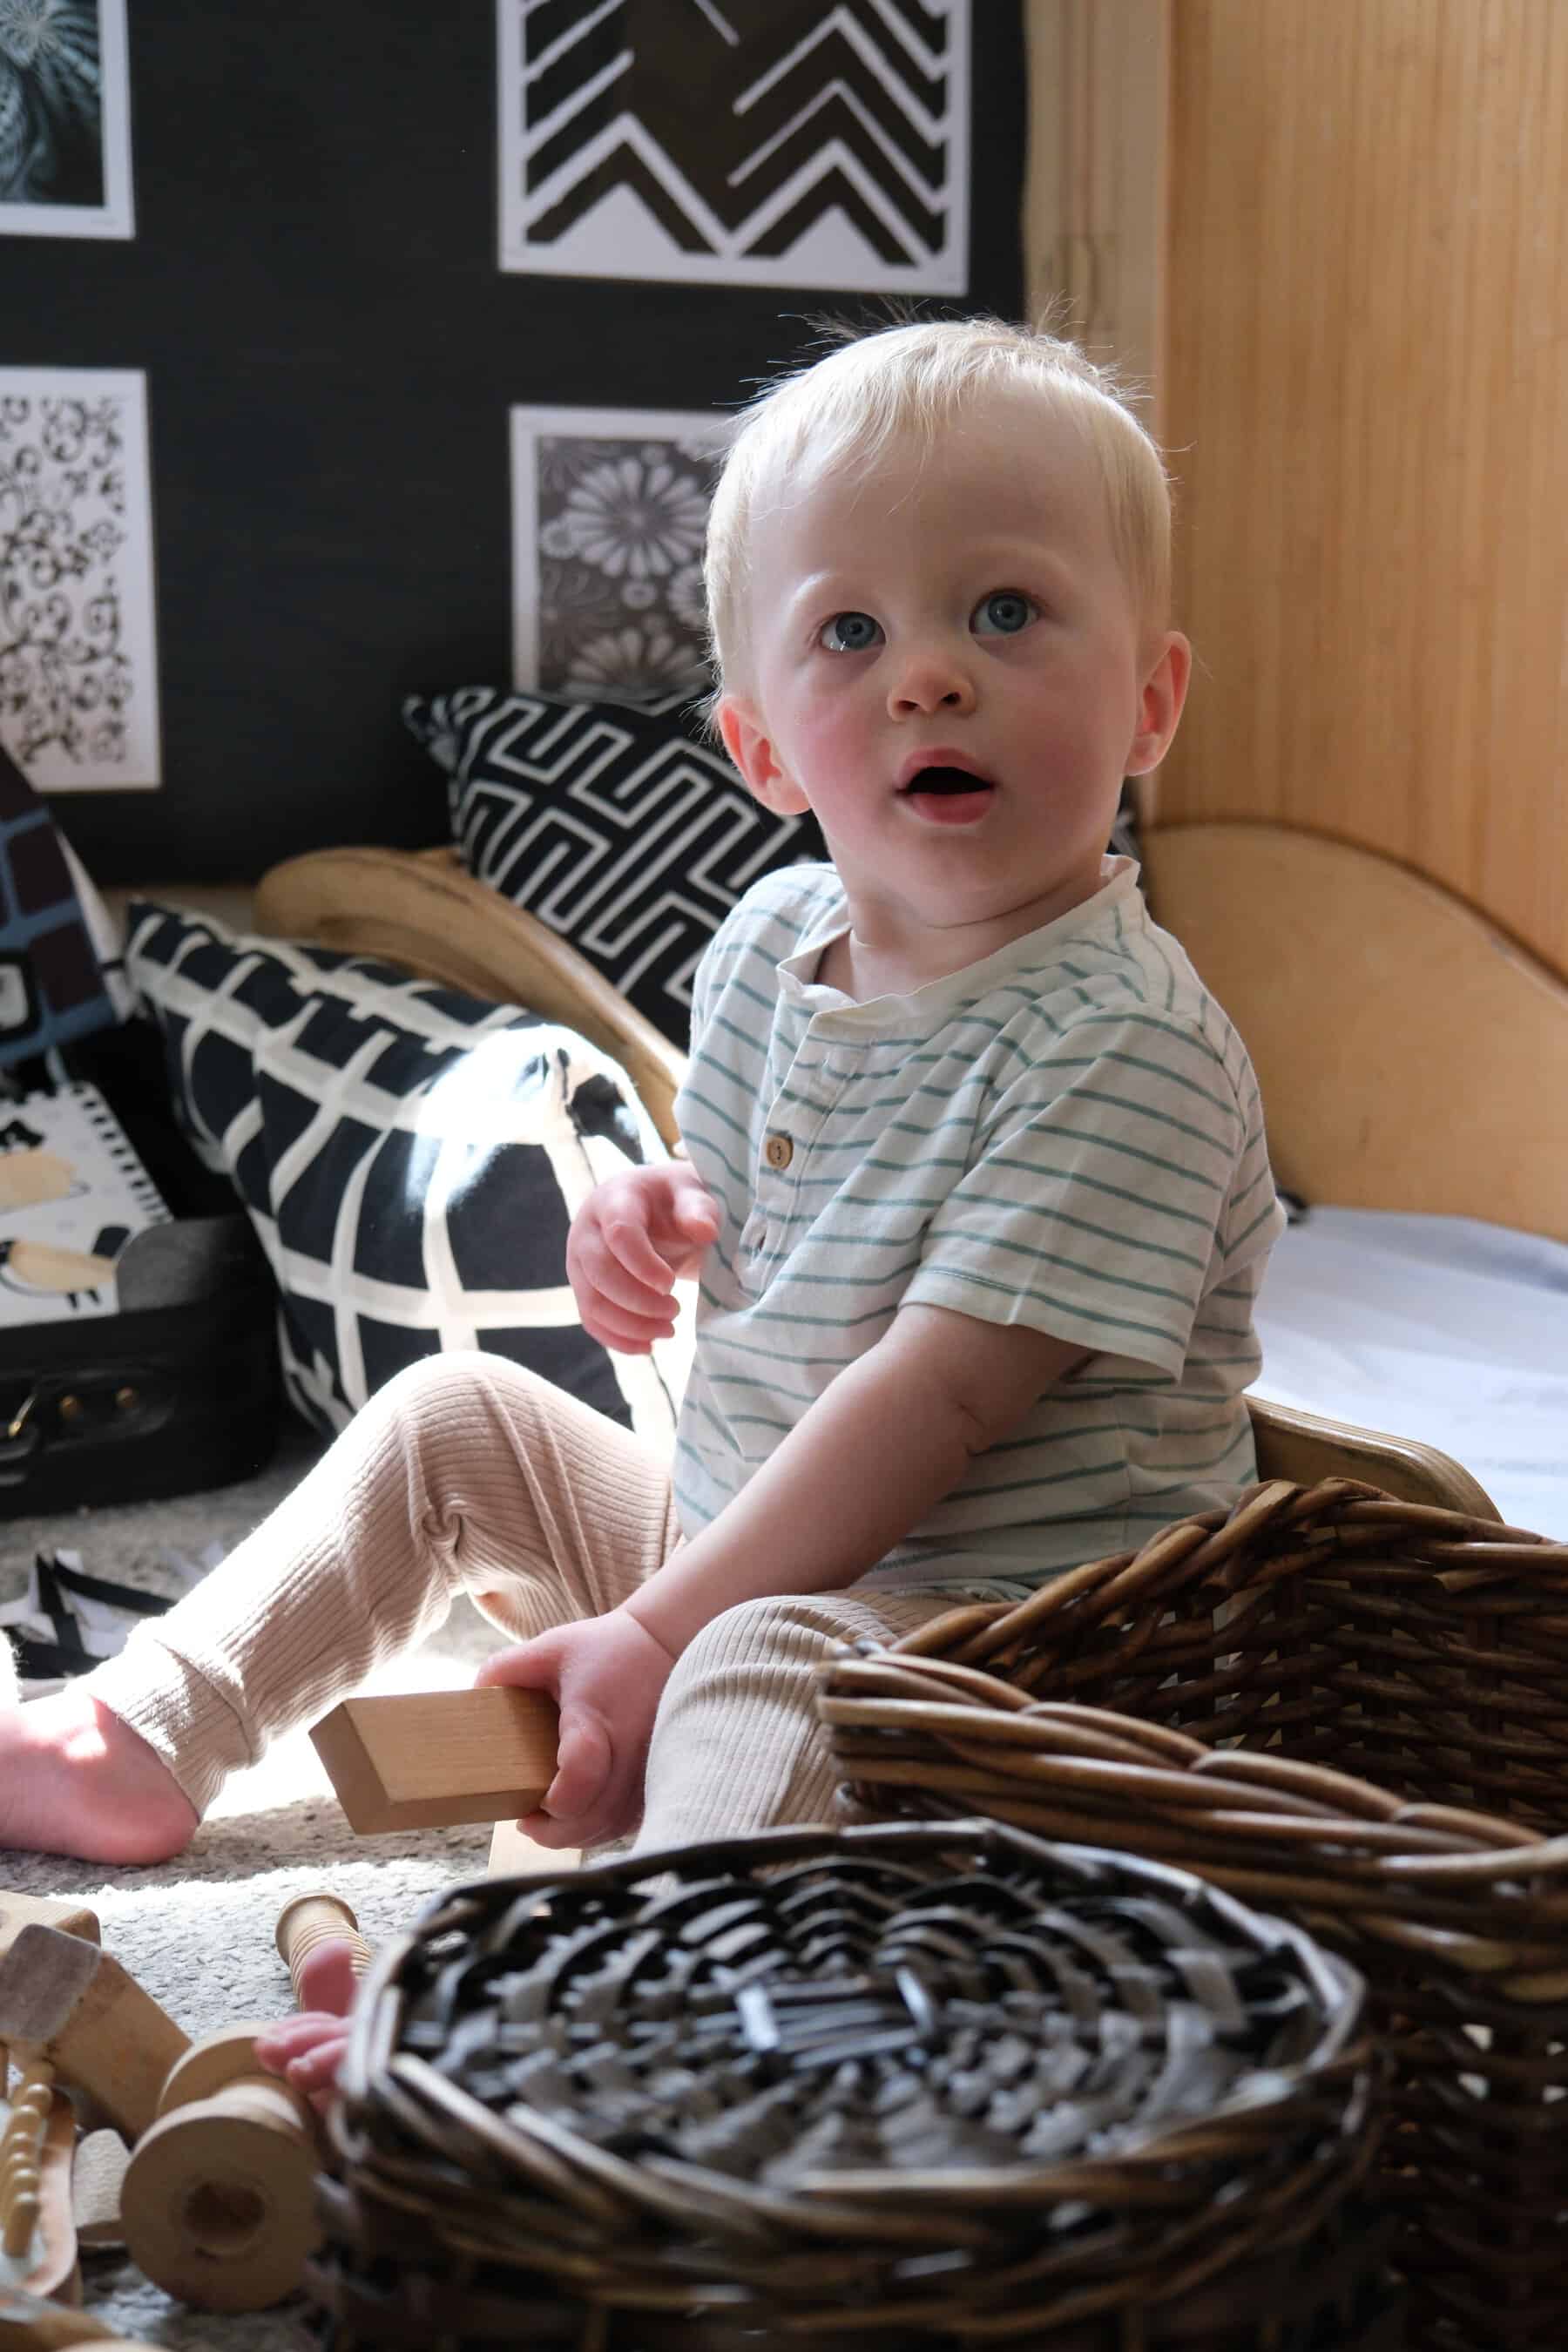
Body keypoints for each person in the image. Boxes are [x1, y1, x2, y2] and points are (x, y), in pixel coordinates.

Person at [0, 317, 1283, 2096]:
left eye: (1004, 612)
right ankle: (147, 1736)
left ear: (1150, 701)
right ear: (764, 748)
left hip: (1014, 1651)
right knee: (460, 1419)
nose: (928, 677)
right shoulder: (770, 948)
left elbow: (936, 1401)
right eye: (856, 632)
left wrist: (663, 1632)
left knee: (760, 1655)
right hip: (757, 1547)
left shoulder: (1130, 1042)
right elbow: (766, 1207)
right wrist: (657, 1217)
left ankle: (614, 2030)